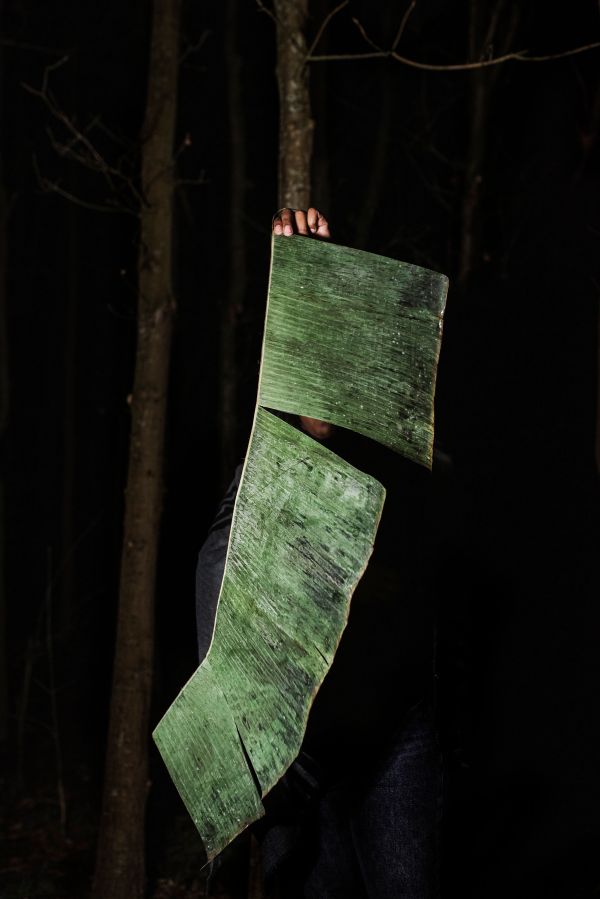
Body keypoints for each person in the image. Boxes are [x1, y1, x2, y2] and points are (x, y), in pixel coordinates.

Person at [196, 208, 444, 899]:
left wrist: (319, 273)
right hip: (299, 756)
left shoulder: (388, 459)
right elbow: (217, 605)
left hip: (391, 735)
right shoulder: (258, 485)